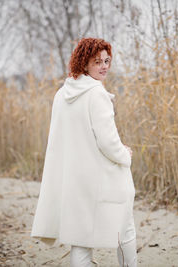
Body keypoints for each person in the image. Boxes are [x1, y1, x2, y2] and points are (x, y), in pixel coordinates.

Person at [31, 37, 137, 267]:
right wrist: (124, 155)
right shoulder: (96, 94)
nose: (104, 66)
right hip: (103, 178)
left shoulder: (61, 94)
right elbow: (108, 142)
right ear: (84, 62)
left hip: (74, 180)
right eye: (97, 61)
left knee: (80, 239)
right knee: (125, 230)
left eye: (107, 61)